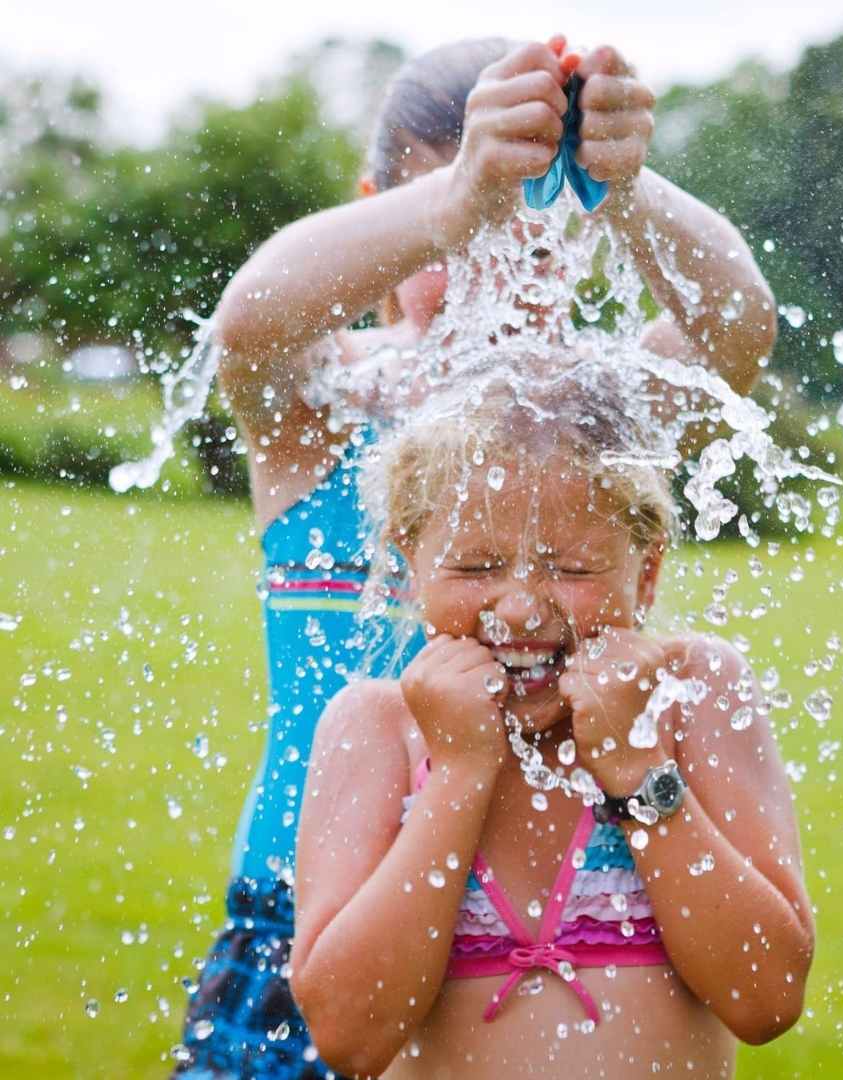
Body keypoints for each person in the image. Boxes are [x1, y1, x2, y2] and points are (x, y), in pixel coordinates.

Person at [175, 33, 777, 1078]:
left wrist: (626, 189)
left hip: (549, 906)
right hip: (308, 916)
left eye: (529, 233)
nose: (494, 266)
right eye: (458, 236)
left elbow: (736, 330)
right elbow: (252, 326)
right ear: (384, 215)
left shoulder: (600, 424)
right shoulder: (332, 412)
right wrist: (461, 196)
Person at [291, 371, 814, 1079]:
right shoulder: (376, 727)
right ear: (410, 564)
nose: (518, 609)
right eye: (475, 566)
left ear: (648, 570)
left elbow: (767, 997)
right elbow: (352, 1036)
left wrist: (636, 769)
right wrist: (460, 773)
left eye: (570, 567)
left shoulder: (690, 696)